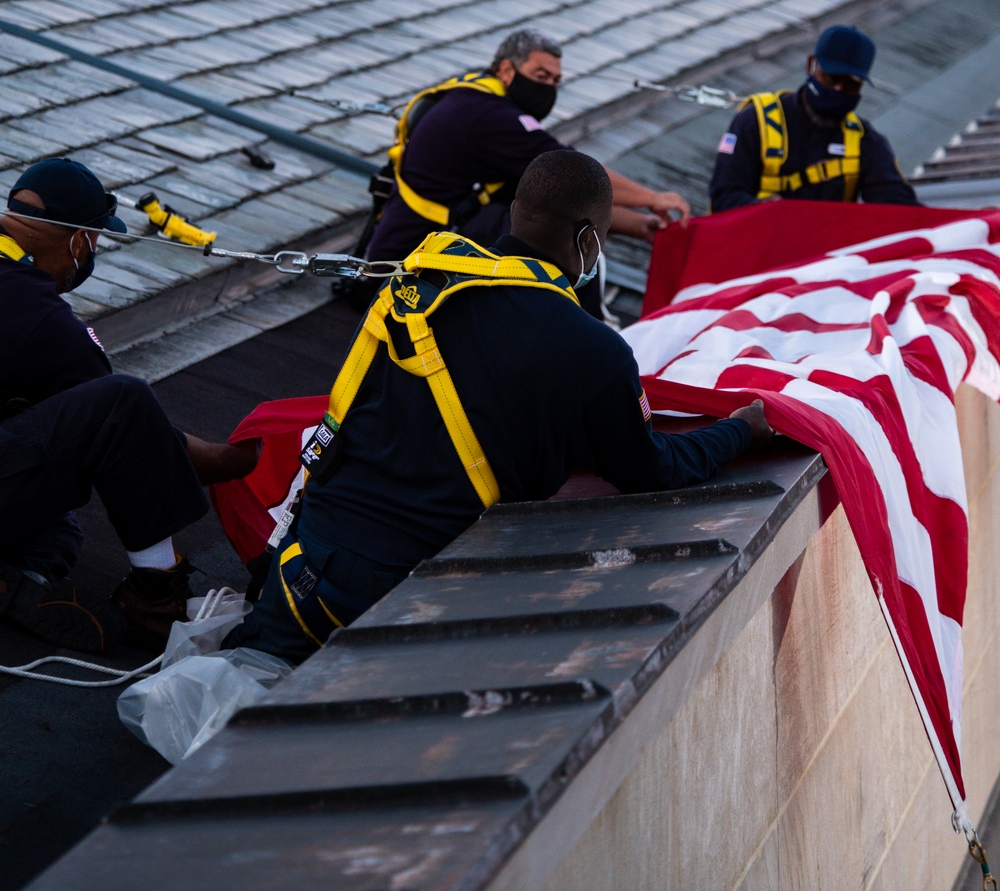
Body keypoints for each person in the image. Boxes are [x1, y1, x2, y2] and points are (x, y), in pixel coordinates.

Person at [229, 150, 775, 663]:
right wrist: (739, 431)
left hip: (303, 560)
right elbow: (650, 469)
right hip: (396, 587)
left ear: (515, 211)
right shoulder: (592, 349)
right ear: (588, 242)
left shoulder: (418, 286)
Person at [0, 157, 257, 654]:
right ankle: (154, 600)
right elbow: (134, 433)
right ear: (77, 240)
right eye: (93, 243)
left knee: (55, 529)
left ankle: (21, 571)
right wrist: (245, 458)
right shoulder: (40, 316)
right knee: (124, 399)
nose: (90, 255)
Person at [365, 28, 692, 269]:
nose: (547, 87)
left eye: (555, 81)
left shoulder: (475, 94)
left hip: (404, 253)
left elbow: (551, 199)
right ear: (506, 70)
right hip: (405, 271)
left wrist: (638, 224)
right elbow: (571, 176)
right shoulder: (491, 118)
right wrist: (652, 198)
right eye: (540, 75)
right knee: (562, 250)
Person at [708, 25, 918, 212]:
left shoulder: (864, 141)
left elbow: (899, 207)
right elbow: (724, 197)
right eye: (831, 78)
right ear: (811, 65)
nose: (838, 90)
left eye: (850, 85)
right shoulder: (756, 122)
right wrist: (764, 210)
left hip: (825, 253)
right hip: (758, 246)